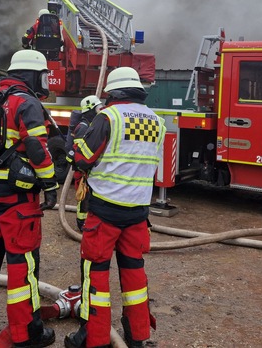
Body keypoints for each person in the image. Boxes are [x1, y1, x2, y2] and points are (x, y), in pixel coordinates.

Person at [0, 50, 59, 346]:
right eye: (42, 74)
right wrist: (51, 184)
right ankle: (27, 333)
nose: (44, 80)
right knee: (22, 266)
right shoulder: (26, 102)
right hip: (18, 201)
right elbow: (37, 148)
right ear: (30, 75)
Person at [65, 67, 166, 348]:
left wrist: (72, 149)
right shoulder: (157, 122)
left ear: (112, 92)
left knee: (95, 275)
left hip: (105, 212)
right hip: (137, 214)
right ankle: (138, 335)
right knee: (134, 275)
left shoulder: (108, 117)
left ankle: (92, 338)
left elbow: (83, 160)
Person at [66, 95, 103, 230]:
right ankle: (82, 223)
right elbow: (80, 152)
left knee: (89, 197)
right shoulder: (83, 127)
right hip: (82, 171)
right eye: (97, 108)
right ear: (90, 110)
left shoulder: (91, 125)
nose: (100, 110)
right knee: (84, 198)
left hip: (87, 170)